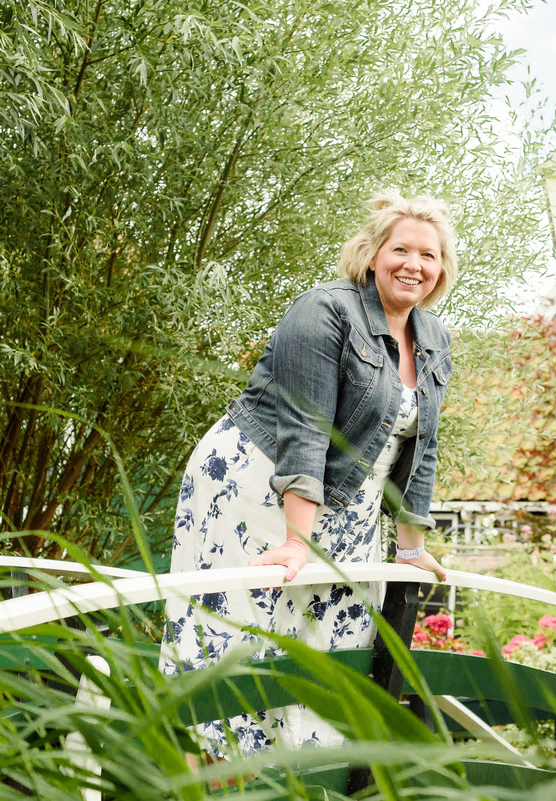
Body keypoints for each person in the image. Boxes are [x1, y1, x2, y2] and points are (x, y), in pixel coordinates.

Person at [159, 191, 454, 758]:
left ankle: (306, 778)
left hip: (351, 505)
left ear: (441, 269)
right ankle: (224, 776)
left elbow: (422, 448)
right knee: (246, 640)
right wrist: (298, 542)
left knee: (332, 647)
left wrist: (412, 548)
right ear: (373, 255)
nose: (413, 265)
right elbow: (305, 429)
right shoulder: (324, 311)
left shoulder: (435, 338)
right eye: (400, 249)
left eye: (428, 255)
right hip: (258, 486)